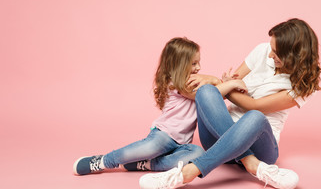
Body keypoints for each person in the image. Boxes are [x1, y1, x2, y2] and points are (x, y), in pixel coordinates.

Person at [139, 18, 321, 189]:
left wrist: (221, 83)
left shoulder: (304, 85)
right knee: (205, 92)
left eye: (276, 52)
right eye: (271, 48)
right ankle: (250, 163)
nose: (269, 54)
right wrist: (216, 82)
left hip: (261, 148)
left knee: (255, 116)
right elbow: (229, 84)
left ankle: (187, 173)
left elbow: (253, 105)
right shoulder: (262, 50)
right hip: (218, 136)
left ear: (294, 56)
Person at [73, 37, 247, 175]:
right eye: (194, 63)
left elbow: (212, 99)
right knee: (149, 148)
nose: (199, 67)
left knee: (198, 154)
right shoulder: (177, 83)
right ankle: (103, 161)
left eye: (199, 62)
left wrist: (224, 82)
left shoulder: (195, 82)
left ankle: (147, 164)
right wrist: (226, 83)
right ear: (178, 65)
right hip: (164, 135)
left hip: (182, 143)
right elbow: (209, 92)